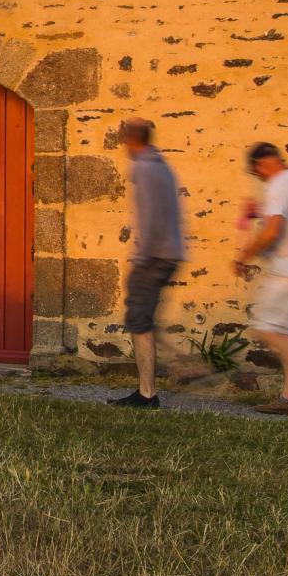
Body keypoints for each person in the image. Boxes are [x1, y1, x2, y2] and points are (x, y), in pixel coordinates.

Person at [233, 140, 288, 415]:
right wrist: (259, 212)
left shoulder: (277, 184)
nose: (258, 178)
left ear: (262, 164)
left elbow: (273, 231)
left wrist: (243, 256)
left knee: (266, 327)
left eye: (256, 172)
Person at [112, 118, 184, 410]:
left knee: (139, 321)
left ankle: (147, 394)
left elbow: (151, 217)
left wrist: (142, 256)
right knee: (145, 319)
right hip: (168, 253)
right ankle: (150, 388)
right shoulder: (161, 165)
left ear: (130, 140)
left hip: (153, 256)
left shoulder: (142, 167)